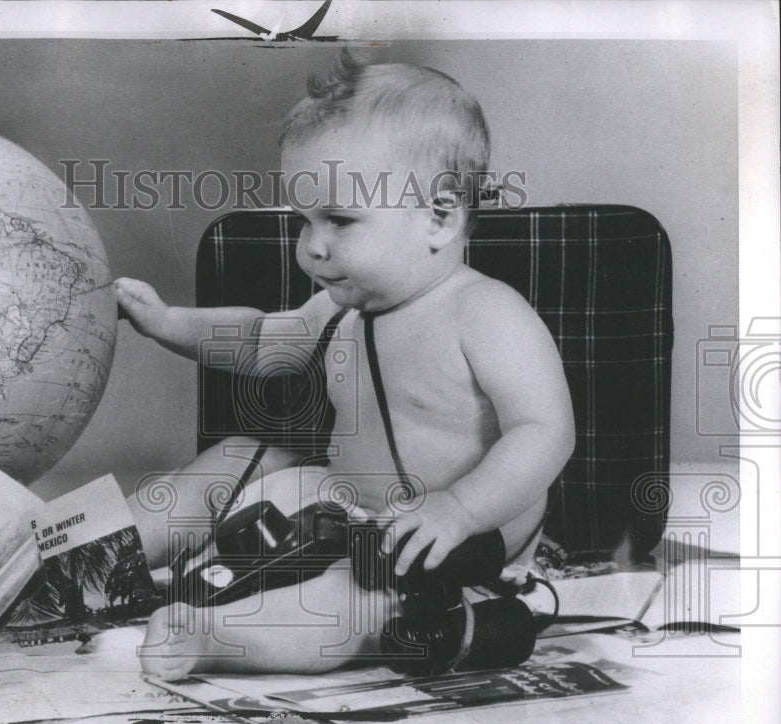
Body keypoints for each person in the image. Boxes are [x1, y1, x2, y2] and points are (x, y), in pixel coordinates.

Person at [115, 53, 575, 680]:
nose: (313, 245)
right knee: (241, 454)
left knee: (359, 601)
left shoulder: (486, 312)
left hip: (449, 538)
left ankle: (217, 637)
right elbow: (257, 341)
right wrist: (168, 322)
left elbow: (545, 432)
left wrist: (460, 510)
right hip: (346, 501)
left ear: (438, 218)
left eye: (340, 220)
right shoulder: (337, 306)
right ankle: (107, 552)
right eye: (305, 220)